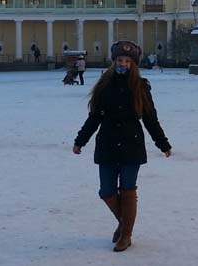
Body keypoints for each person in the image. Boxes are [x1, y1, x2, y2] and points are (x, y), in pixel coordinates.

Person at [72, 40, 172, 252]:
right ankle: (124, 224)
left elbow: (150, 119)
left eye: (127, 61)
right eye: (120, 60)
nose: (123, 64)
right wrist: (80, 140)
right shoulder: (104, 85)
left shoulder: (140, 87)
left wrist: (163, 144)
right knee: (106, 191)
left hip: (131, 144)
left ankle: (125, 235)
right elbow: (94, 117)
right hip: (107, 143)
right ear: (114, 61)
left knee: (128, 190)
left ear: (133, 64)